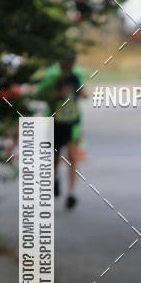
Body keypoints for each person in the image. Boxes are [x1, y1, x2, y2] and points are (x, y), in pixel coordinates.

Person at [38, 65, 86, 209]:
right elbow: (41, 94)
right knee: (55, 156)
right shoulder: (52, 74)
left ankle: (71, 193)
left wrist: (83, 94)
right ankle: (55, 177)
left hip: (73, 122)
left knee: (73, 157)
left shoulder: (77, 73)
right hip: (55, 121)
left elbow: (82, 92)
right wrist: (58, 94)